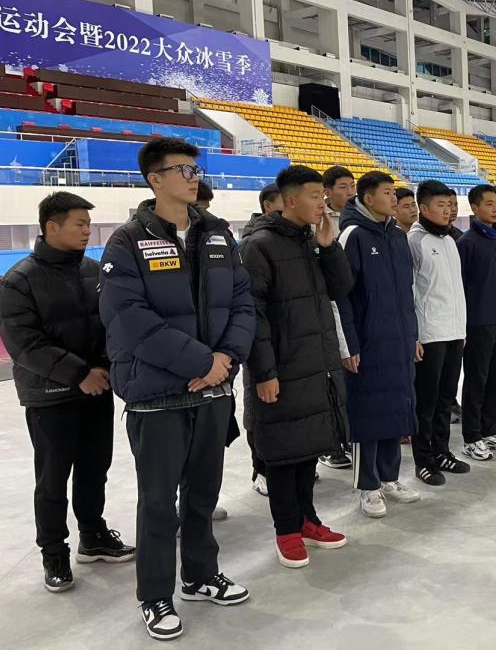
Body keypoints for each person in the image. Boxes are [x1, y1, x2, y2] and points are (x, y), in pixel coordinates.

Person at [99, 138, 255, 641]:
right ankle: (155, 595)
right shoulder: (127, 241)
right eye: (182, 169)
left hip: (214, 389)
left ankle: (201, 575)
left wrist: (225, 361)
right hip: (158, 394)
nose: (193, 177)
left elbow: (243, 302)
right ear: (155, 179)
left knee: (203, 494)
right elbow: (128, 319)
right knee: (158, 502)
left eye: (195, 169)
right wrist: (202, 362)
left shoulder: (218, 234)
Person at [0, 192, 135, 595]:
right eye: (80, 224)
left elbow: (113, 324)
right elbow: (24, 344)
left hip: (97, 389)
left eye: (89, 224)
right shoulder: (20, 280)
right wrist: (78, 374)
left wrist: (103, 367)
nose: (87, 231)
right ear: (51, 227)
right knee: (53, 478)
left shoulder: (94, 271)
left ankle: (93, 535)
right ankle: (54, 552)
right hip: (51, 395)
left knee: (95, 468)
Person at [240, 165, 353, 568]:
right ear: (289, 201)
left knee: (307, 448)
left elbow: (341, 288)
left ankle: (308, 520)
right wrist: (264, 372)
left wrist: (329, 247)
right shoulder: (259, 246)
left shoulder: (311, 239)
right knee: (282, 453)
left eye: (323, 194)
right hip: (281, 369)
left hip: (316, 363)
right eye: (314, 195)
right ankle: (286, 530)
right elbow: (252, 313)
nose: (322, 202)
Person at [336, 171, 422, 518]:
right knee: (367, 416)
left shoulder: (397, 236)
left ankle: (390, 478)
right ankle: (367, 486)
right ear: (368, 198)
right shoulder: (352, 236)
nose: (393, 198)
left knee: (396, 410)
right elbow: (340, 295)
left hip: (398, 341)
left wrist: (412, 335)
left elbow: (407, 293)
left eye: (394, 193)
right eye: (387, 193)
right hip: (367, 344)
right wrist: (349, 345)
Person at [406, 180, 470, 485]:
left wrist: (461, 328)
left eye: (450, 205)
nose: (448, 211)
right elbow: (408, 292)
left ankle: (442, 451)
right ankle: (424, 460)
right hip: (429, 335)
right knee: (426, 403)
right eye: (441, 205)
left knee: (446, 398)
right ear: (423, 207)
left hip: (453, 332)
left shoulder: (449, 241)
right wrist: (414, 335)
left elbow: (456, 290)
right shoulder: (414, 241)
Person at [458, 185, 496, 461]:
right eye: (489, 204)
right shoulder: (466, 243)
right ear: (474, 208)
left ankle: (489, 430)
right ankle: (472, 437)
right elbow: (460, 287)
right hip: (478, 323)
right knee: (477, 380)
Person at [241, 182, 285, 498]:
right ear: (269, 206)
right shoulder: (253, 245)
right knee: (260, 411)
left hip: (290, 343)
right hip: (263, 342)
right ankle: (262, 469)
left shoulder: (298, 239)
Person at [320, 165, 358, 471]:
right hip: (328, 306)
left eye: (352, 186)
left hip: (354, 305)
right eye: (343, 187)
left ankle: (349, 436)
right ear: (328, 191)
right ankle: (332, 444)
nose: (350, 192)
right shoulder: (320, 220)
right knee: (334, 380)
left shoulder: (359, 219)